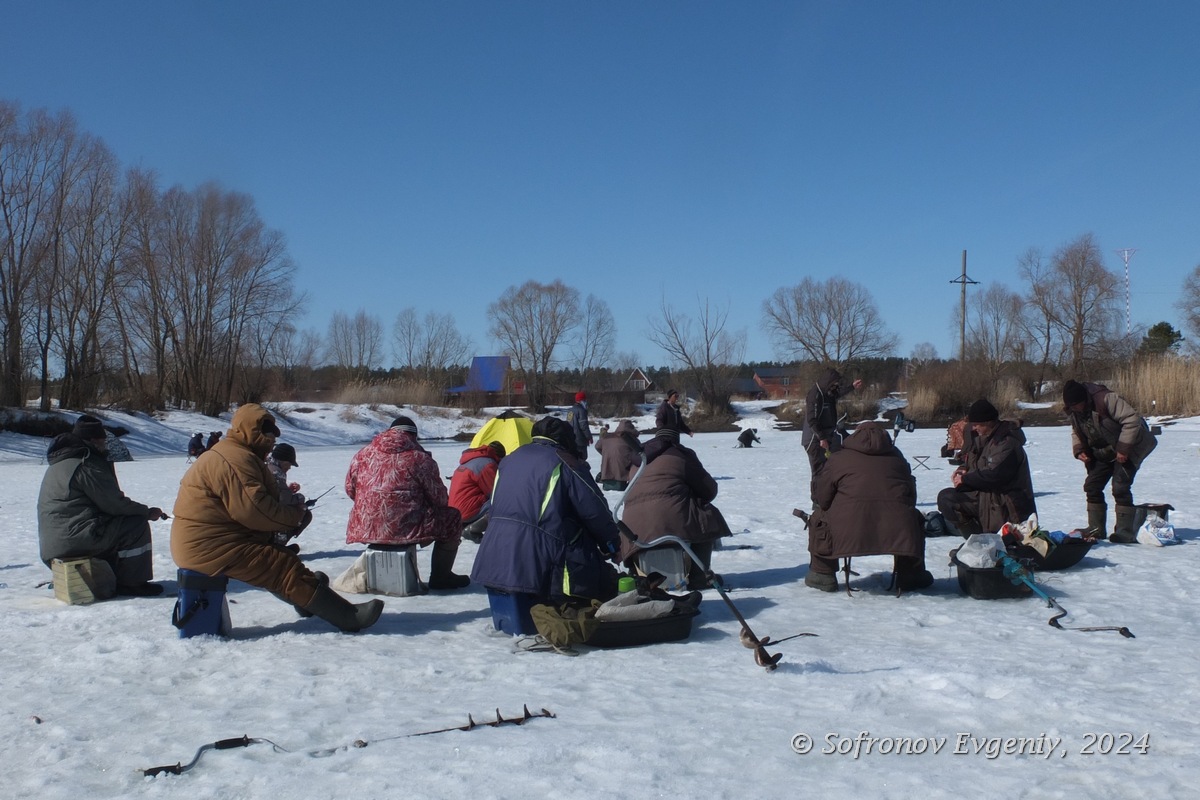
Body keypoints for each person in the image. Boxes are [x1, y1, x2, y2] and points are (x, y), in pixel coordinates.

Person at [172, 404, 383, 632]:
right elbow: (255, 511)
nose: (272, 439)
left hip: (210, 540)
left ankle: (307, 601)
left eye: (274, 433)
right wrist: (295, 516)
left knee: (278, 557)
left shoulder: (236, 453)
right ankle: (349, 617)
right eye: (266, 432)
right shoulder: (235, 459)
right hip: (208, 546)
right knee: (280, 566)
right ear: (248, 429)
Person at [470, 416, 621, 605]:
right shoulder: (565, 462)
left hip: (495, 556)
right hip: (541, 564)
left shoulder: (509, 460)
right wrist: (612, 544)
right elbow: (594, 510)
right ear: (567, 440)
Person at [38, 415, 167, 597]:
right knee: (135, 525)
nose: (105, 445)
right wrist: (147, 512)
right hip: (75, 539)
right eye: (103, 440)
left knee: (111, 527)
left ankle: (110, 575)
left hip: (53, 544)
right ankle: (132, 583)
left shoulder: (62, 462)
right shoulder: (86, 464)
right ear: (93, 440)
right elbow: (115, 504)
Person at [804, 421, 932, 592]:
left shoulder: (839, 458)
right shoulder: (897, 457)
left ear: (854, 436)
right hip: (897, 528)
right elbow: (911, 497)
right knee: (913, 518)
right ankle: (912, 574)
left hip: (848, 529)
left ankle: (822, 574)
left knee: (818, 518)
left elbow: (823, 499)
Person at [345, 416, 468, 590]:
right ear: (413, 436)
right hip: (404, 526)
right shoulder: (420, 458)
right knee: (453, 518)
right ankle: (441, 576)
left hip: (366, 524)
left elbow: (350, 489)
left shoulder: (362, 454)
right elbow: (440, 499)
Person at [618, 428, 732, 591]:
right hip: (668, 522)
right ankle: (698, 577)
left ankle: (637, 575)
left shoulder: (638, 460)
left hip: (632, 528)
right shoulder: (681, 455)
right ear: (676, 441)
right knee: (706, 515)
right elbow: (709, 490)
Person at [1062, 379, 1158, 543]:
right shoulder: (1074, 411)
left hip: (1131, 445)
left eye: (1077, 404)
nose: (1075, 409)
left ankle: (1124, 531)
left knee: (1120, 486)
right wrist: (1079, 450)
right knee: (1092, 486)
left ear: (1084, 399)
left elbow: (1131, 419)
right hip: (1103, 450)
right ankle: (1096, 529)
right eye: (1072, 406)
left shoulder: (1106, 399)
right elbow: (1076, 431)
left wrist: (1123, 448)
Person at [936, 399, 1036, 537]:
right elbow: (974, 462)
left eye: (977, 424)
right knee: (946, 498)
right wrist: (962, 469)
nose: (974, 428)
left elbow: (995, 475)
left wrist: (965, 480)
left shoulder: (1006, 443)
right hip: (985, 498)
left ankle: (987, 541)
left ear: (988, 422)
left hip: (1007, 505)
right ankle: (977, 541)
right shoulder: (982, 439)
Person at [802, 369, 863, 504]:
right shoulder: (815, 395)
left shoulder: (828, 393)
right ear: (828, 382)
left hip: (827, 436)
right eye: (834, 384)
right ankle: (817, 502)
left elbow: (838, 394)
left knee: (829, 469)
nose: (836, 386)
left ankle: (827, 498)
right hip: (814, 440)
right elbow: (812, 420)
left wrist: (852, 387)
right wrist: (821, 438)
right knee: (818, 471)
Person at [448, 440, 505, 543]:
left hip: (455, 512)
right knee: (503, 503)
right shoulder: (488, 464)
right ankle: (473, 529)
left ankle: (465, 525)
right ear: (499, 456)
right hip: (466, 511)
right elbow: (495, 492)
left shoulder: (470, 461)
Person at [267, 442, 307, 553]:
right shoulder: (276, 472)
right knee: (304, 513)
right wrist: (300, 498)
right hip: (270, 515)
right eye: (289, 464)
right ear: (284, 461)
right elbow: (284, 501)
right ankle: (277, 547)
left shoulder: (267, 466)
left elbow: (277, 494)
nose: (289, 468)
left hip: (264, 512)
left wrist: (288, 491)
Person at [596, 419, 642, 490]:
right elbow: (640, 453)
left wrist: (605, 454)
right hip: (623, 474)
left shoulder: (607, 437)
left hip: (606, 471)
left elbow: (597, 446)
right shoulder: (632, 439)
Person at [567, 391, 593, 460]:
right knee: (582, 459)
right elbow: (583, 426)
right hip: (580, 440)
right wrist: (589, 437)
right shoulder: (582, 411)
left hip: (571, 439)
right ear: (582, 400)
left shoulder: (570, 410)